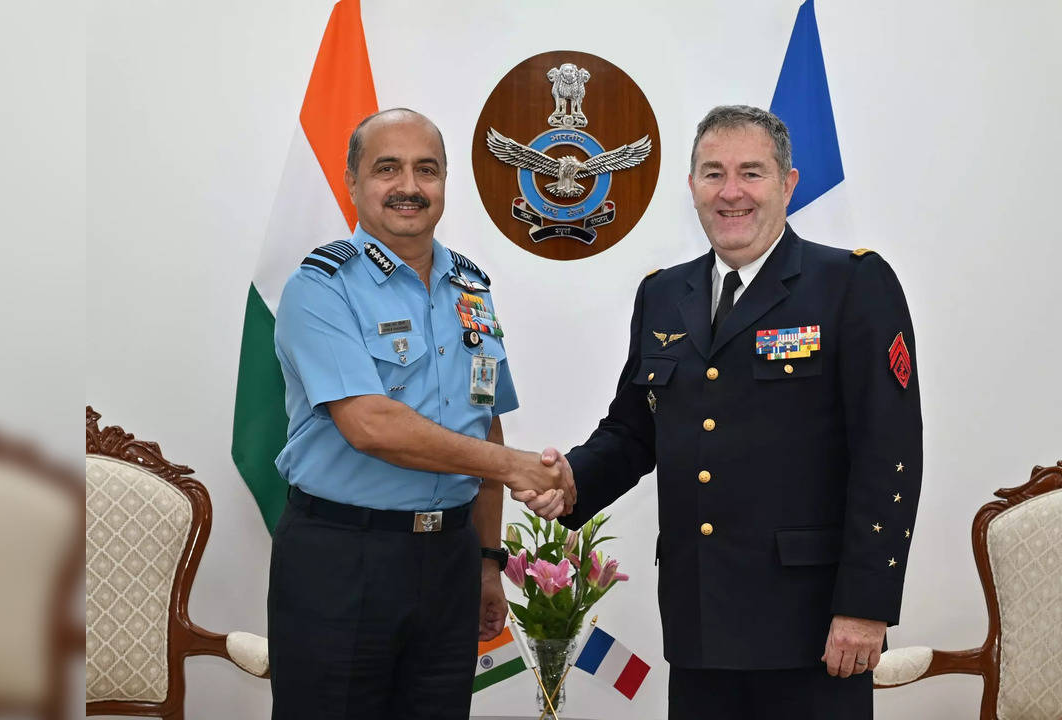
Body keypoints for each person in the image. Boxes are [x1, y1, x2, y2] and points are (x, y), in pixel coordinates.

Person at [521, 105, 923, 718]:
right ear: (691, 187)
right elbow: (634, 430)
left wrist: (865, 605)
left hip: (813, 627)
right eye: (713, 173)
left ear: (788, 185)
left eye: (751, 173)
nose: (731, 192)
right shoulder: (662, 293)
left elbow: (889, 454)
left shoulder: (850, 284)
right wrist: (573, 481)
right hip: (699, 618)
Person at [268, 108, 571, 720]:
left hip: (449, 563)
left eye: (426, 170)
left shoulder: (471, 290)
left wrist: (488, 562)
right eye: (388, 168)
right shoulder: (320, 288)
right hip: (342, 559)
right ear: (352, 182)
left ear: (443, 184)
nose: (409, 185)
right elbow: (370, 425)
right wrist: (515, 466)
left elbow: (483, 419)